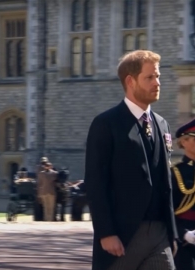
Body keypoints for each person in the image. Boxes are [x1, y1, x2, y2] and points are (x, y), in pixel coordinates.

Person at [85, 49, 177, 270]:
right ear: (130, 81)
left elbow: (165, 183)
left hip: (159, 234)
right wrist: (106, 233)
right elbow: (96, 183)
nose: (157, 83)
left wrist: (172, 233)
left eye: (158, 77)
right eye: (149, 77)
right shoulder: (106, 123)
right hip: (123, 235)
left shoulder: (162, 124)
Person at [171, 119, 195, 270]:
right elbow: (166, 211)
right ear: (184, 142)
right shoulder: (175, 173)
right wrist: (184, 234)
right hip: (185, 240)